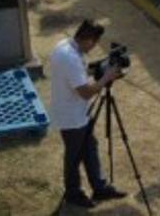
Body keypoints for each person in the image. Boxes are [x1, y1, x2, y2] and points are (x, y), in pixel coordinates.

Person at [49, 20, 127, 209]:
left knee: (90, 147)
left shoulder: (65, 46)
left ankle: (99, 187)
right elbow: (85, 91)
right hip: (72, 117)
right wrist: (107, 77)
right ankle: (73, 193)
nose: (92, 48)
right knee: (74, 156)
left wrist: (98, 68)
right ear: (90, 40)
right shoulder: (71, 59)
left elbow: (79, 74)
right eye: (94, 42)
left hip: (76, 112)